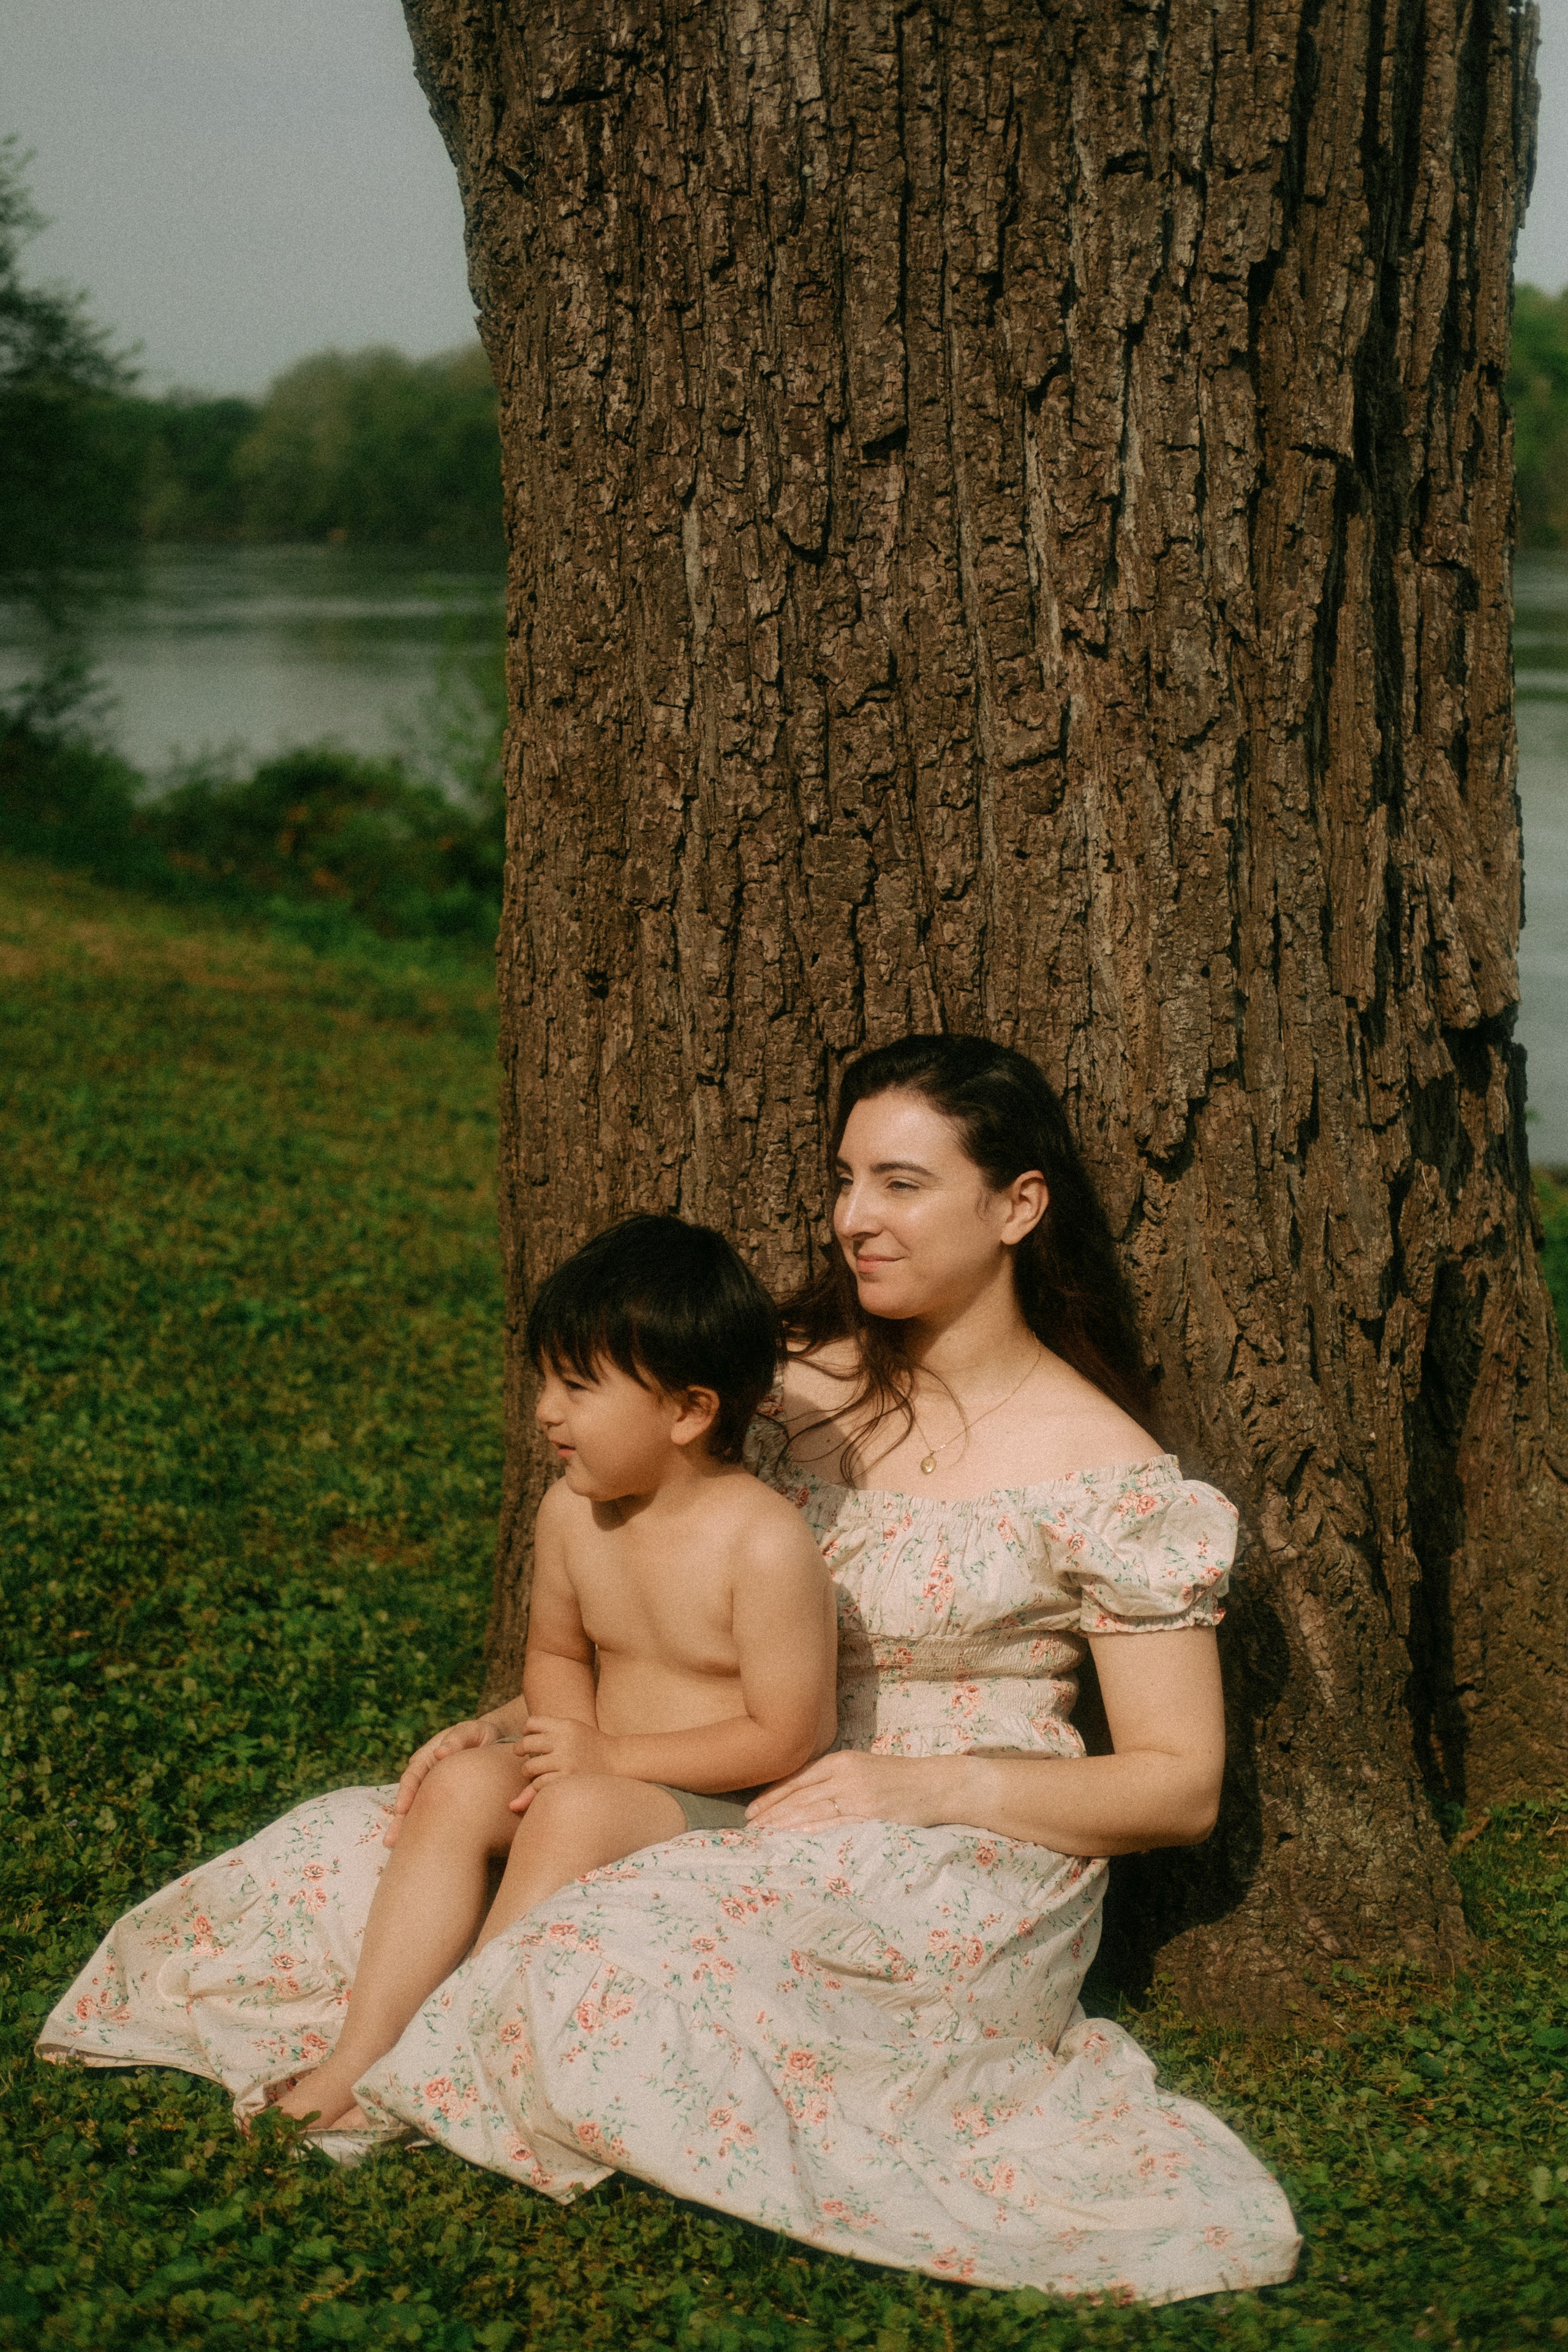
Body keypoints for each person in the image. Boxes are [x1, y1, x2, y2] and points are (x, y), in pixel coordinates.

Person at [41, 1034, 1300, 2304]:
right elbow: (665, 1581)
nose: (853, 1220)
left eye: (901, 1185)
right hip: (720, 1759)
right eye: (845, 1178)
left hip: (946, 1839)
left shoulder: (1104, 1473)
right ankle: (415, 2042)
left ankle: (454, 2059)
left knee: (622, 1962)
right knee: (344, 1855)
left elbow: (1175, 1786)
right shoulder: (776, 1381)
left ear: (1016, 1205)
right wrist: (518, 1721)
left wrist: (922, 1788)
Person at [272, 1213, 837, 2135]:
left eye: (576, 1387)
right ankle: (361, 2050)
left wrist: (603, 1761)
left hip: (722, 1807)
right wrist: (539, 1752)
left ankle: (453, 2054)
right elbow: (558, 1656)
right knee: (460, 1789)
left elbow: (786, 1735)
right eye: (547, 1380)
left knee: (576, 1808)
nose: (545, 1410)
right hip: (596, 1771)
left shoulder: (764, 1543)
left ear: (690, 1412)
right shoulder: (574, 1513)